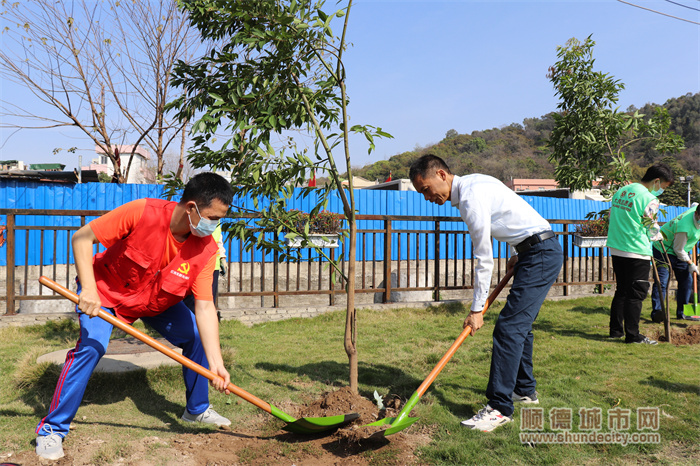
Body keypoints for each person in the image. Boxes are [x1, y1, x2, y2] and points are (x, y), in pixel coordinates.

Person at [35, 173, 235, 460]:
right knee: (92, 347)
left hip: (156, 302)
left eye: (220, 219)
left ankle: (197, 410)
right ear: (191, 207)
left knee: (195, 335)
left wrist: (217, 364)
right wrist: (89, 289)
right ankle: (52, 429)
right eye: (212, 217)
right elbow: (81, 238)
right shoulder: (143, 213)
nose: (214, 225)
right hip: (105, 294)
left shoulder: (207, 249)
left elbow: (204, 308)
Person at [409, 154, 563, 433]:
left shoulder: (470, 197)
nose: (426, 196)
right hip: (535, 251)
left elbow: (484, 258)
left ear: (441, 175)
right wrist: (519, 251)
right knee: (520, 327)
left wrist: (477, 310)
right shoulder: (474, 184)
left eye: (426, 189)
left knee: (508, 329)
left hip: (540, 254)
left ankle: (499, 408)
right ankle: (524, 390)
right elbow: (513, 216)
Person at [606, 163, 674, 345]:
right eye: (663, 187)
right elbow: (650, 224)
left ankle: (615, 331)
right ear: (657, 181)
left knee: (621, 290)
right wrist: (658, 235)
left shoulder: (623, 190)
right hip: (636, 250)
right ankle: (633, 335)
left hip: (616, 247)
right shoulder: (649, 198)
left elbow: (613, 215)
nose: (662, 191)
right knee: (636, 293)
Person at [650, 203, 700, 322]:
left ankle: (682, 313)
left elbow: (694, 204)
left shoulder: (696, 208)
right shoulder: (685, 226)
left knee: (687, 281)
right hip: (663, 250)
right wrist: (691, 263)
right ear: (697, 214)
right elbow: (678, 250)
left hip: (680, 249)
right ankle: (657, 313)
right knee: (662, 281)